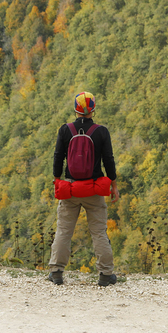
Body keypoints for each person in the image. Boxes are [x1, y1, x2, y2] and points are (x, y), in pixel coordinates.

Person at [48, 92, 120, 286]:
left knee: (64, 231)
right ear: (93, 109)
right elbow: (108, 160)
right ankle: (105, 274)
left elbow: (57, 157)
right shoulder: (101, 131)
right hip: (94, 189)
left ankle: (56, 272)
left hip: (70, 189)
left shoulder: (65, 130)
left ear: (75, 109)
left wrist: (57, 180)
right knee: (98, 232)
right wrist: (113, 184)